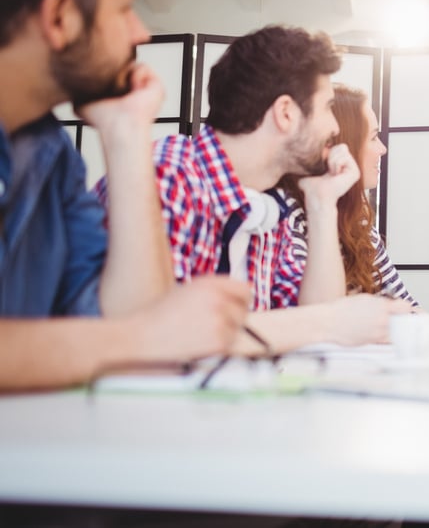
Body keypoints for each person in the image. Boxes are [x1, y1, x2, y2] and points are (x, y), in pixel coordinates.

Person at [0, 0, 250, 391]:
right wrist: (143, 338)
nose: (141, 32)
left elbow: (131, 320)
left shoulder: (46, 150)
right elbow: (144, 336)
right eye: (123, 7)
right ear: (60, 16)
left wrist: (129, 136)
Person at [96, 25, 410, 353]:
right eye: (328, 107)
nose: (334, 127)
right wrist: (329, 322)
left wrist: (322, 203)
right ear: (286, 113)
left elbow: (316, 327)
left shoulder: (265, 204)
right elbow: (155, 336)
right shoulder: (171, 174)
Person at [280, 85, 429, 342]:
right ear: (342, 145)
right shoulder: (289, 218)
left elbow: (405, 308)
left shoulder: (360, 222)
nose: (383, 149)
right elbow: (319, 325)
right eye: (373, 137)